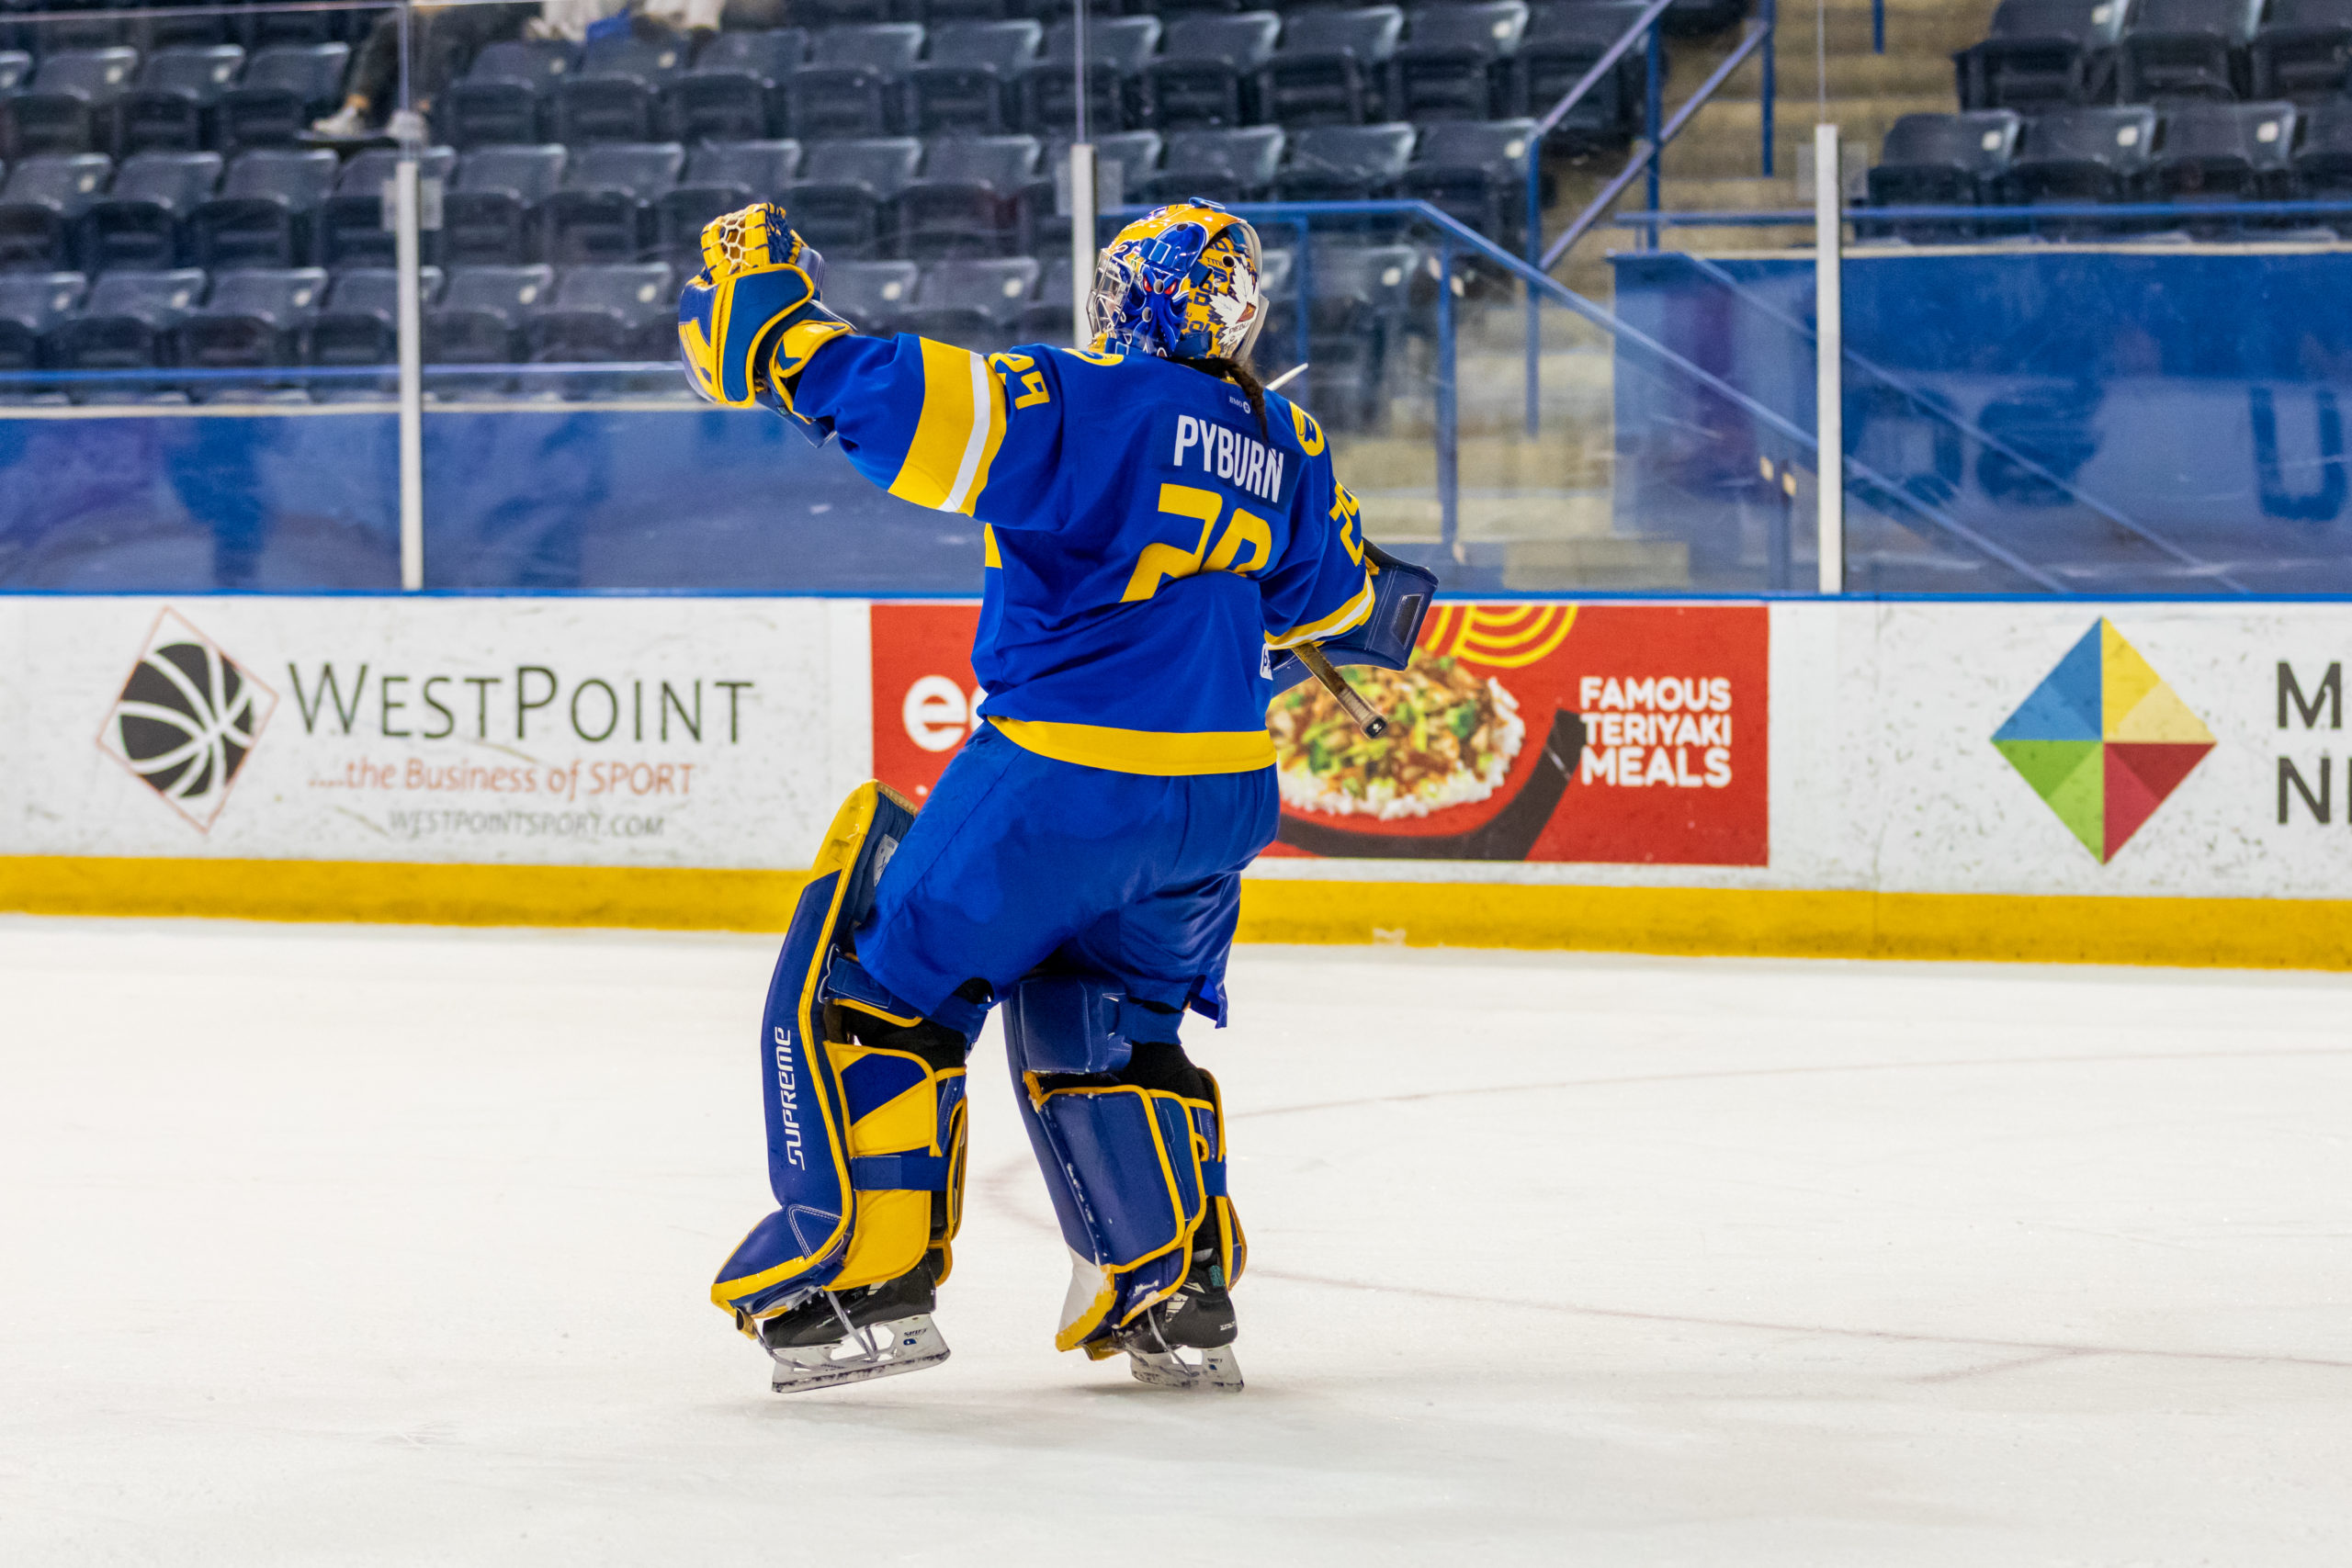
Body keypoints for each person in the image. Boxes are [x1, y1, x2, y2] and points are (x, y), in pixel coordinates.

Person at [676, 198, 1427, 1393]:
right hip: (1220, 795)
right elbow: (1349, 608)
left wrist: (765, 301)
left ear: (1119, 295)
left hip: (1066, 774)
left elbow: (870, 397)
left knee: (876, 988)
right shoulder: (1282, 433)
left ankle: (854, 1282)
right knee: (1117, 1024)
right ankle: (1175, 1292)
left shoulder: (1081, 399)